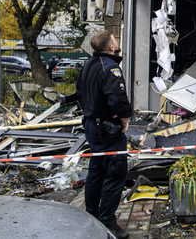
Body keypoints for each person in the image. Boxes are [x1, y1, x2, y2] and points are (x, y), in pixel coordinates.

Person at [61, 31, 133, 239]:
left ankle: (91, 214)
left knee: (96, 171)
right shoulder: (110, 67)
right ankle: (107, 222)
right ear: (111, 47)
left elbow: (80, 93)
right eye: (114, 39)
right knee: (114, 173)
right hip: (107, 130)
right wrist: (124, 119)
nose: (117, 41)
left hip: (92, 127)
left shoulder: (89, 64)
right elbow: (118, 99)